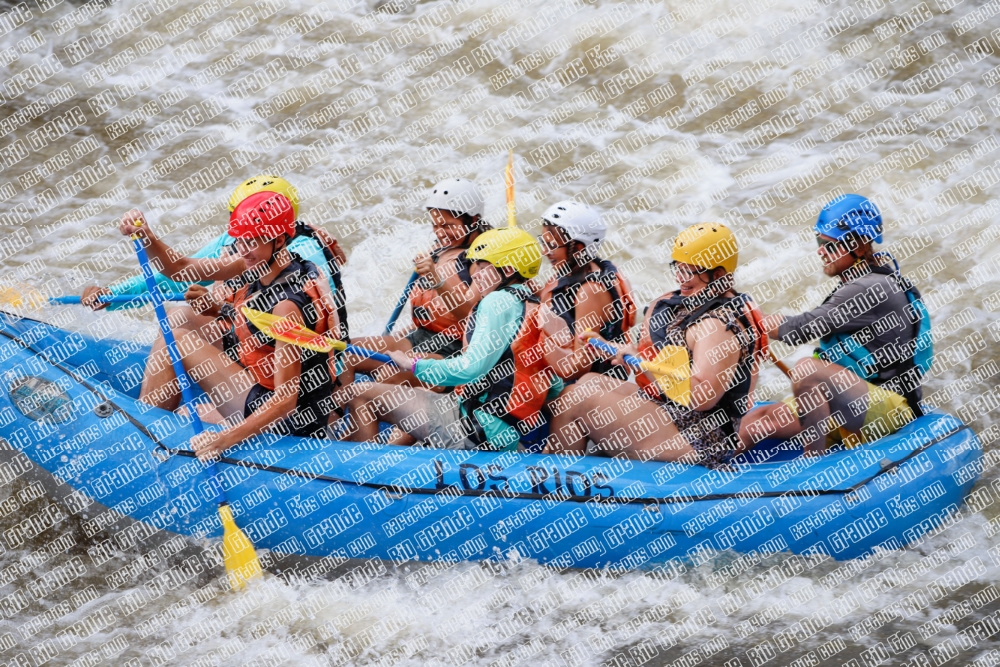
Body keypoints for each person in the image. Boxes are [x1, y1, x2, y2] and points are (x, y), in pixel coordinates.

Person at [118, 191, 342, 460]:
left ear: (279, 240)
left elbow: (286, 400)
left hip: (290, 424)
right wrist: (147, 237)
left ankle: (140, 441)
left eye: (254, 240)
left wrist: (224, 439)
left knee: (174, 339)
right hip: (268, 386)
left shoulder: (286, 307)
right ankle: (150, 418)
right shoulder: (263, 262)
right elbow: (181, 268)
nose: (245, 249)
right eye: (242, 240)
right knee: (180, 317)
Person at [544, 223, 767, 465]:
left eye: (692, 271)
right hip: (678, 417)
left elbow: (702, 397)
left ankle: (551, 481)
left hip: (701, 441)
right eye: (679, 268)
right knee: (587, 382)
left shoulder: (717, 326)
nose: (682, 278)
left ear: (719, 275)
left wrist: (642, 365)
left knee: (576, 400)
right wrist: (621, 350)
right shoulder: (699, 302)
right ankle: (566, 467)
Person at [737, 194, 932, 456]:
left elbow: (801, 329)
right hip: (848, 401)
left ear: (861, 247)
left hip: (888, 406)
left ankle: (814, 465)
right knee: (758, 420)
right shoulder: (866, 280)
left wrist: (753, 321)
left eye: (828, 244)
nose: (820, 250)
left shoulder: (870, 287)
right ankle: (711, 480)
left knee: (807, 369)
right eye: (819, 241)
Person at [342, 227, 557, 452]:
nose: (476, 275)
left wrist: (413, 364)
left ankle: (364, 475)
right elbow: (551, 384)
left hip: (476, 430)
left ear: (509, 269)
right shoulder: (533, 305)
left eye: (484, 268)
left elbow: (471, 368)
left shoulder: (496, 302)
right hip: (503, 431)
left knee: (361, 394)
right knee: (424, 395)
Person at [81, 176, 348, 331]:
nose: (241, 239)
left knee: (179, 319)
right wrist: (112, 296)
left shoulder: (306, 258)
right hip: (256, 347)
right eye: (238, 221)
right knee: (181, 317)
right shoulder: (242, 243)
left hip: (292, 369)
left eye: (252, 230)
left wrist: (218, 310)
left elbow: (280, 326)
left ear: (277, 236)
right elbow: (179, 273)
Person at [343, 177, 491, 387]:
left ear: (473, 221)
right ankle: (333, 419)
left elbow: (472, 317)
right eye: (435, 224)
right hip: (419, 338)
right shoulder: (438, 249)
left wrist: (437, 281)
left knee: (388, 375)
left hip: (453, 353)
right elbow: (426, 316)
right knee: (346, 352)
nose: (439, 232)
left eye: (448, 226)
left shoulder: (482, 262)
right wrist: (393, 340)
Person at [537, 201, 637, 385]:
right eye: (543, 242)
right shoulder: (583, 268)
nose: (545, 251)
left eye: (552, 245)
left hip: (591, 389)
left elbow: (579, 366)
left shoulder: (589, 292)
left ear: (579, 248)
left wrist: (534, 340)